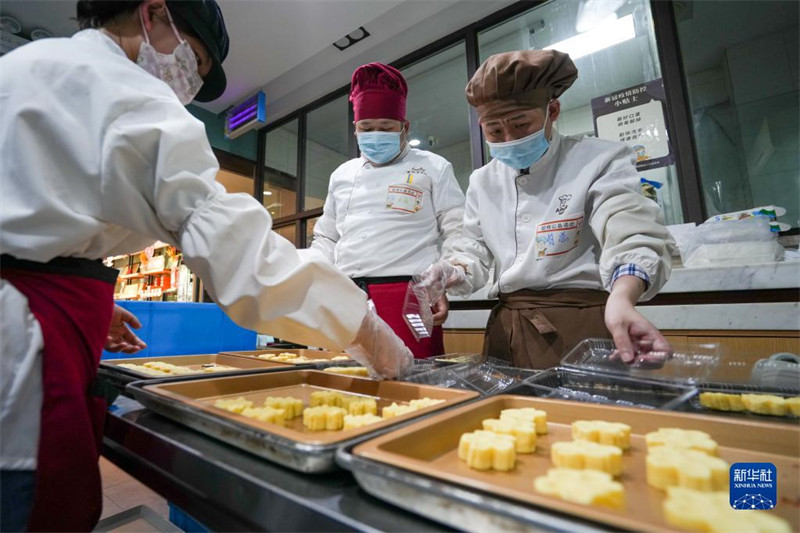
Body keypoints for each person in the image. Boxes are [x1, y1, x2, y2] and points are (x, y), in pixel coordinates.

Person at [0, 1, 411, 530]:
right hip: (22, 336)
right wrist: (363, 325)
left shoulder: (24, 65)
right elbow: (235, 250)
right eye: (193, 59)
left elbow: (37, 219)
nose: (188, 83)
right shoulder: (133, 94)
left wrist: (82, 291)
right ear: (153, 13)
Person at [419, 50, 673, 369]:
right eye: (494, 131)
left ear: (552, 110)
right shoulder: (483, 181)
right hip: (508, 327)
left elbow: (632, 232)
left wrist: (623, 296)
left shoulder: (598, 160)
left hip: (582, 322)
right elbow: (474, 251)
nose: (508, 138)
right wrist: (451, 271)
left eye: (521, 124)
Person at [311, 63, 466, 359]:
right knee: (349, 377)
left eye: (385, 128)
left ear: (404, 127)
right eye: (366, 128)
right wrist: (316, 275)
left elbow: (458, 229)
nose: (375, 135)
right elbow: (327, 237)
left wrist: (446, 277)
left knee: (413, 379)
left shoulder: (433, 167)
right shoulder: (342, 174)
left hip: (410, 296)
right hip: (349, 296)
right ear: (355, 129)